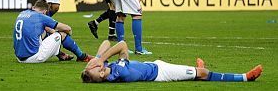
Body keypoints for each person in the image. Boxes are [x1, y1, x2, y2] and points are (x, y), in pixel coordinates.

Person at [81, 40, 263, 83]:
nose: (100, 68)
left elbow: (106, 42)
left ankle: (195, 70)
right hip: (161, 74)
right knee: (204, 74)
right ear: (102, 74)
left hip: (155, 64)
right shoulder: (120, 73)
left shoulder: (110, 69)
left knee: (196, 72)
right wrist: (101, 60)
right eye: (97, 70)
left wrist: (96, 60)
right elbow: (121, 45)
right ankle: (245, 77)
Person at [13, 0, 93, 63]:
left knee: (45, 32)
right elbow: (67, 28)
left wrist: (53, 32)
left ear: (34, 7)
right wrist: (65, 34)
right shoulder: (41, 16)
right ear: (45, 11)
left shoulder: (22, 13)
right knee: (62, 34)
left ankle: (60, 54)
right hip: (32, 58)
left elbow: (46, 28)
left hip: (19, 58)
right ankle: (82, 57)